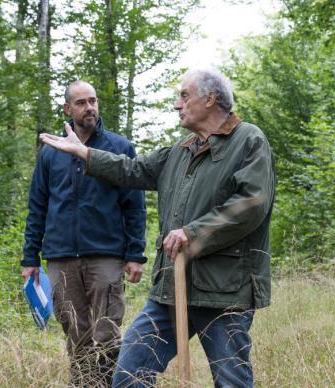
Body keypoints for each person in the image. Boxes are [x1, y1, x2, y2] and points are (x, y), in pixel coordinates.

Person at [39, 69, 276, 387]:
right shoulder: (181, 150)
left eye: (184, 96)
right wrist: (84, 152)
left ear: (210, 99)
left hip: (224, 291)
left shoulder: (248, 140)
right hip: (170, 291)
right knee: (128, 375)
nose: (177, 105)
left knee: (231, 379)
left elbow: (252, 202)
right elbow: (132, 170)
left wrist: (192, 232)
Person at [21, 80, 147, 387]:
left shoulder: (119, 148)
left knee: (106, 333)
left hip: (106, 255)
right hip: (61, 258)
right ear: (67, 109)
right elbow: (37, 206)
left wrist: (135, 254)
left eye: (93, 100)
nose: (89, 107)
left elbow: (134, 205)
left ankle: (107, 384)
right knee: (76, 335)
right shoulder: (50, 152)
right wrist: (30, 257)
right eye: (81, 102)